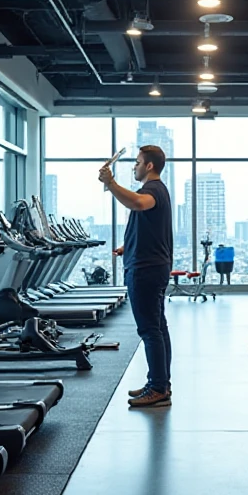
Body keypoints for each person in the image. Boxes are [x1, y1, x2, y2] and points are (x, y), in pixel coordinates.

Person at [99, 145, 174, 408]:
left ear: (149, 166)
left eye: (138, 162)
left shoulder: (152, 190)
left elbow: (137, 203)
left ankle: (158, 388)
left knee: (150, 330)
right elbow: (147, 227)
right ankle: (160, 382)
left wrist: (111, 183)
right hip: (149, 264)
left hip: (146, 269)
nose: (134, 166)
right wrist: (126, 247)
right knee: (158, 328)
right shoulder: (156, 190)